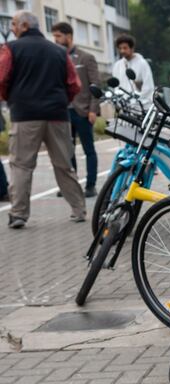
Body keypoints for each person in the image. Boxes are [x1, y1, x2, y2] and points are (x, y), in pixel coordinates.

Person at [0, 11, 86, 228]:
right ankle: (79, 210)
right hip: (57, 114)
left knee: (21, 166)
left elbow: (1, 78)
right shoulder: (59, 51)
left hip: (25, 115)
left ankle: (19, 214)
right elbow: (74, 84)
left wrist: (12, 99)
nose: (11, 28)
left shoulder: (11, 49)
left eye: (14, 24)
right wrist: (60, 101)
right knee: (64, 164)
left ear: (25, 25)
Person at [52, 22, 99, 198]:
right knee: (67, 150)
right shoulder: (57, 56)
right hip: (63, 111)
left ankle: (91, 185)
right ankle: (71, 186)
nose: (55, 39)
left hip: (83, 111)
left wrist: (93, 109)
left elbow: (95, 85)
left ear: (68, 36)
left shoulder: (86, 57)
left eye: (58, 36)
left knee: (89, 150)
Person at [111, 34, 154, 109]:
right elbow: (116, 87)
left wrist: (137, 101)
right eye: (120, 48)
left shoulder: (142, 63)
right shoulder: (117, 66)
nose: (122, 51)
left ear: (132, 48)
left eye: (125, 48)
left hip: (141, 107)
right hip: (124, 108)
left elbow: (148, 87)